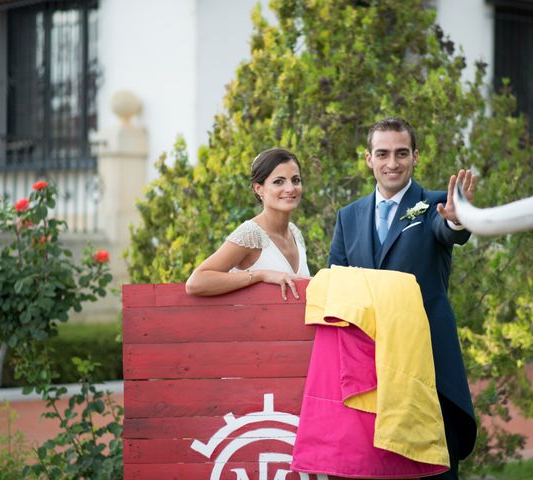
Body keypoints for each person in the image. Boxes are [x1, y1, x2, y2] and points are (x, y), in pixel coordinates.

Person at [328, 117, 478, 479]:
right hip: (370, 364)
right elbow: (338, 281)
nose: (391, 162)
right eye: (382, 153)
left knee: (432, 465)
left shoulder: (435, 205)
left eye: (400, 153)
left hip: (426, 359)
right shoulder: (348, 217)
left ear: (415, 156)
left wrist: (458, 220)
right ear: (368, 159)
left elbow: (449, 232)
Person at [186, 147, 310, 300]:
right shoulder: (251, 234)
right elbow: (195, 282)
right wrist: (262, 275)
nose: (290, 188)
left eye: (295, 180)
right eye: (279, 182)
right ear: (259, 189)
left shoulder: (295, 233)